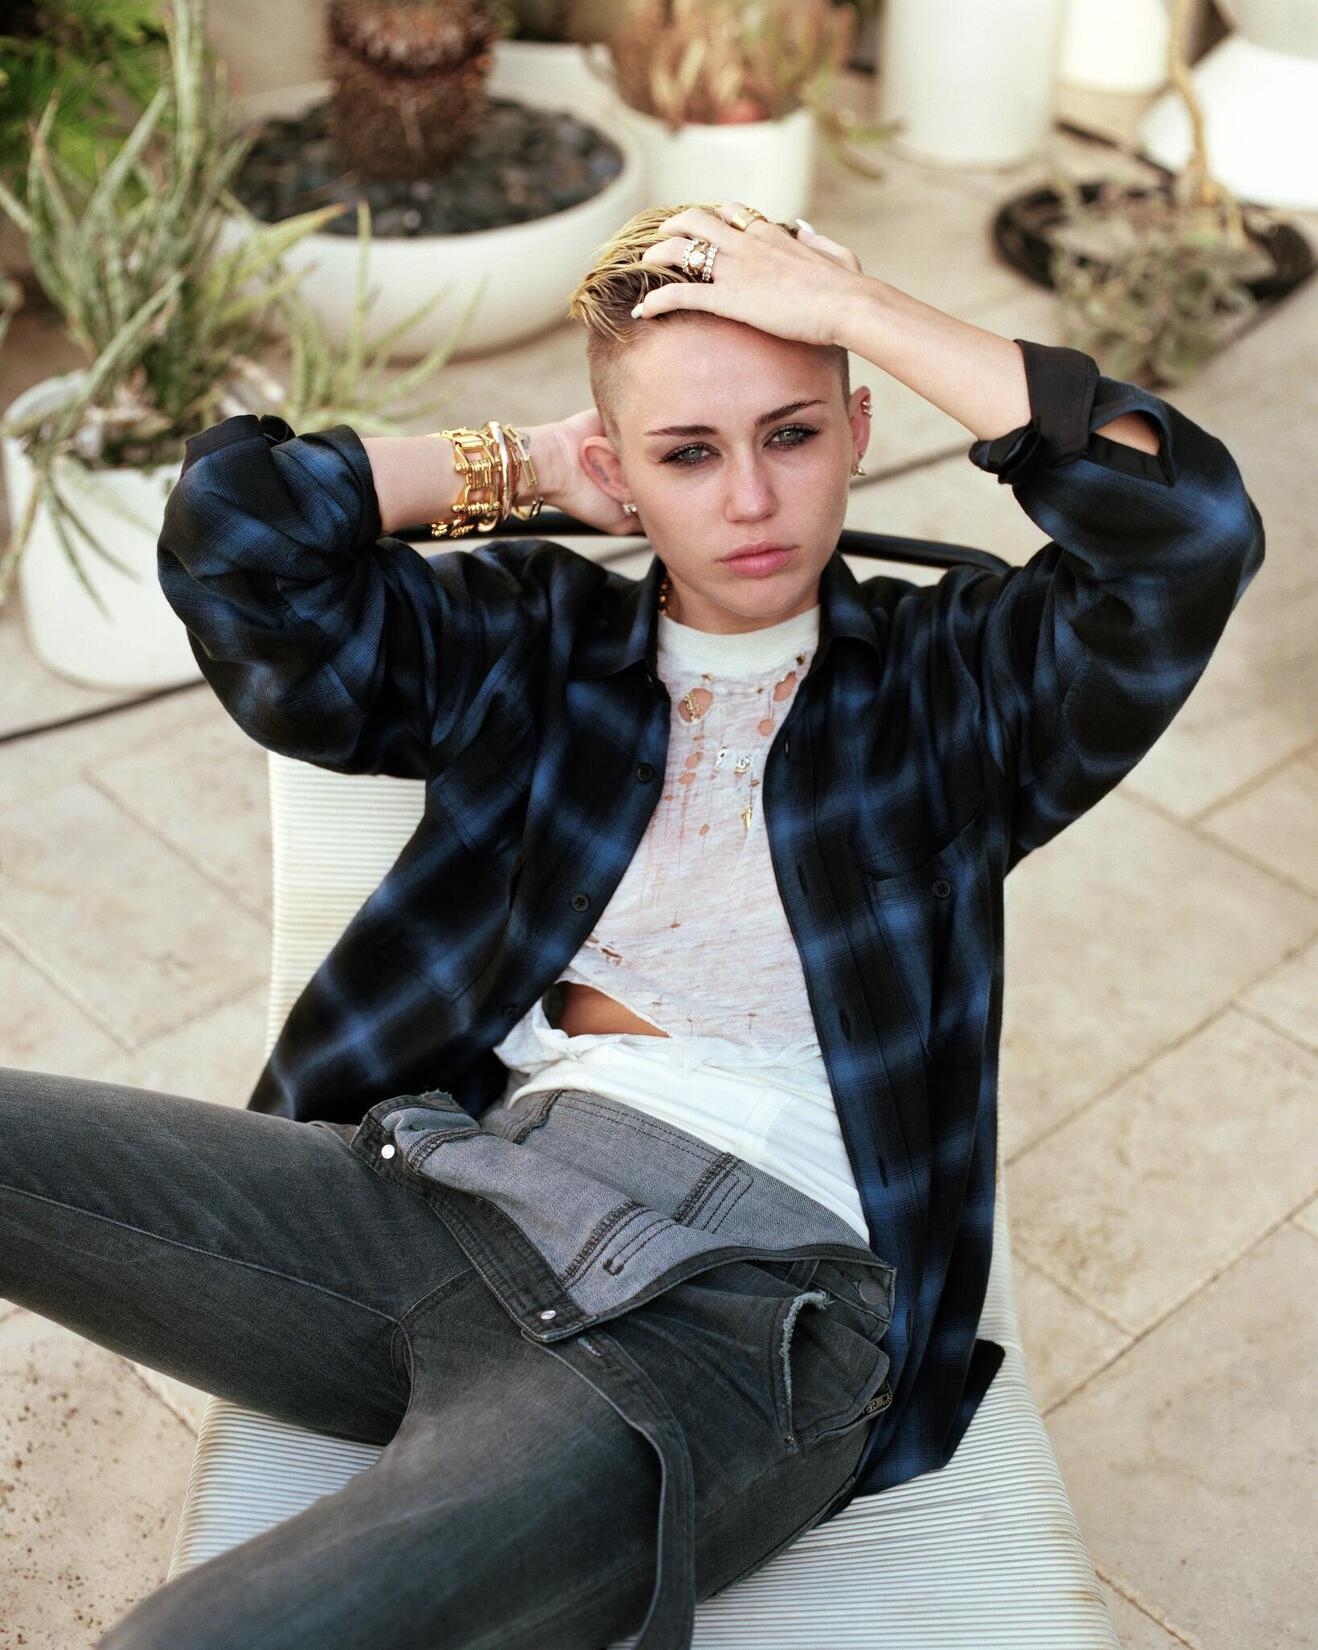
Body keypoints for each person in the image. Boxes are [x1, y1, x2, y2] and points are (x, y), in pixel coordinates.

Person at [0, 200, 1264, 1650]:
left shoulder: (961, 685)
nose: (751, 499)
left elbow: (1188, 533)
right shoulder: (531, 641)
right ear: (621, 470)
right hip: (443, 1192)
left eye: (792, 433)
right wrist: (537, 464)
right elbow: (237, 539)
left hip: (742, 1298)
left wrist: (861, 312)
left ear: (858, 431)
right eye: (686, 453)